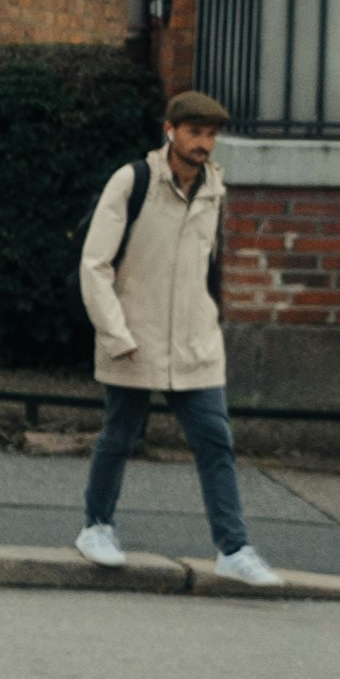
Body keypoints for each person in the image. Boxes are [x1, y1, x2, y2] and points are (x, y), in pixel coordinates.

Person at [77, 88, 272, 579]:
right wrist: (116, 333)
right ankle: (96, 527)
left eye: (210, 134)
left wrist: (209, 324)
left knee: (215, 442)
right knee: (120, 435)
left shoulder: (214, 189)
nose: (204, 144)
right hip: (134, 336)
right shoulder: (133, 180)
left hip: (194, 343)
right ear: (170, 131)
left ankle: (233, 549)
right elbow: (94, 264)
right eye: (194, 132)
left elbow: (206, 268)